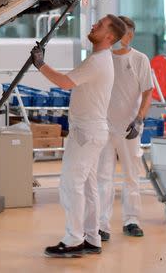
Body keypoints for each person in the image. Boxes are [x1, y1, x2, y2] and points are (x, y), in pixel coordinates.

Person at [31, 14, 128, 258]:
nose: (94, 25)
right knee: (86, 186)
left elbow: (65, 82)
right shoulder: (99, 59)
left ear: (109, 37)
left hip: (86, 133)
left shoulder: (97, 61)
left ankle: (74, 239)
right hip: (92, 131)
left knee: (70, 183)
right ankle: (92, 238)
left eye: (100, 25)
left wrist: (40, 64)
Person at [97, 16, 153, 240]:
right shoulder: (103, 58)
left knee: (131, 175)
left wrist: (139, 119)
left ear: (130, 35)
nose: (121, 37)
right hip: (104, 127)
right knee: (103, 176)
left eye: (125, 33)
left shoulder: (140, 59)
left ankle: (132, 220)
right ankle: (101, 225)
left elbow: (148, 91)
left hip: (130, 126)